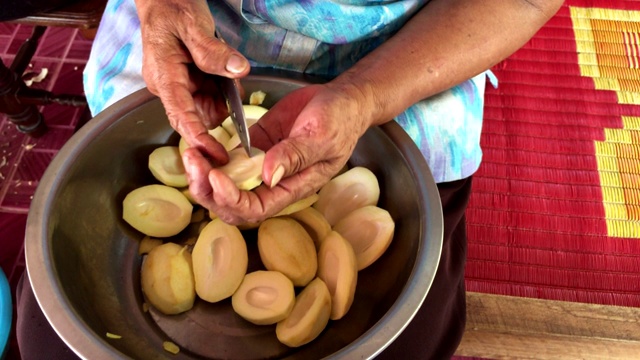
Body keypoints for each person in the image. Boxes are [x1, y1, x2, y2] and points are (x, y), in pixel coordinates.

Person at [15, 0, 564, 358]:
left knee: (414, 341)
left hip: (412, 52)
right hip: (190, 29)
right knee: (47, 342)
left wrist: (365, 95)